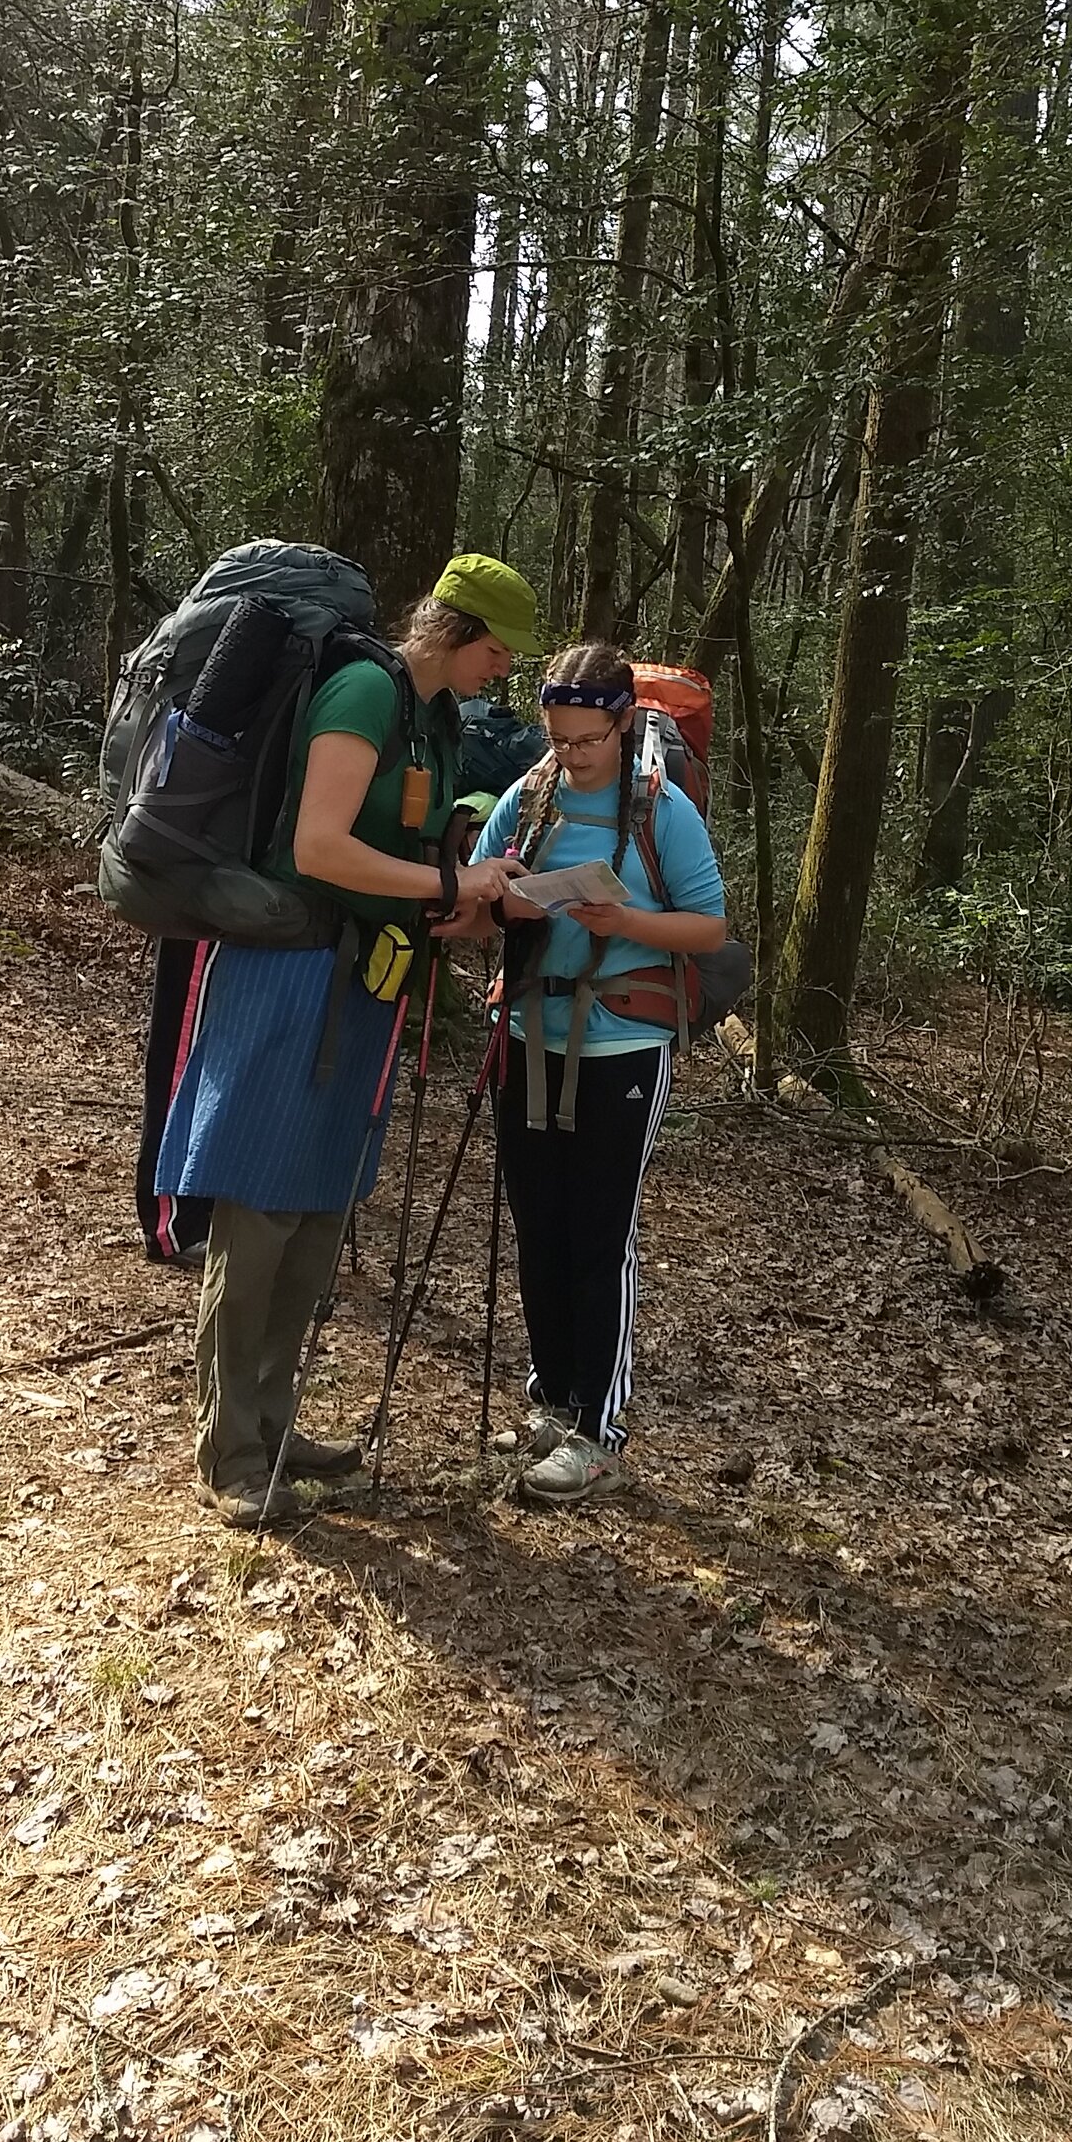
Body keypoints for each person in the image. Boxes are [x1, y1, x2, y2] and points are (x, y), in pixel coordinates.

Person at [152, 553, 539, 1524]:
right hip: (288, 972)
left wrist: (450, 868)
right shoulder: (365, 690)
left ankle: (275, 1422)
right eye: (496, 650)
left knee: (320, 1212)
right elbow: (318, 847)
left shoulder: (432, 717)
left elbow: (395, 844)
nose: (502, 671)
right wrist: (453, 888)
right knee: (261, 1211)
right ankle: (230, 1449)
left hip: (362, 977)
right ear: (455, 630)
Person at [465, 640, 727, 1503]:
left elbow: (709, 929)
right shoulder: (530, 794)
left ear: (622, 723)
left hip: (621, 1043)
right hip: (529, 1032)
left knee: (599, 1233)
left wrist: (625, 922)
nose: (569, 755)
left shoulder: (661, 811)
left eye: (584, 740)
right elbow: (485, 892)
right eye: (558, 738)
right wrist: (499, 895)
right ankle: (553, 1399)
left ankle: (597, 1431)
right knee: (539, 1224)